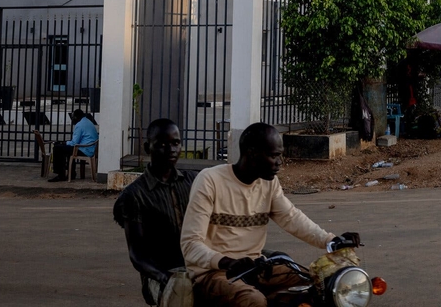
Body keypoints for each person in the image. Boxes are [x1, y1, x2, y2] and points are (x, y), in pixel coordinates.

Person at [181, 122, 356, 306]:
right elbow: (190, 244)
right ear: (252, 153)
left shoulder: (268, 184)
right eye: (274, 156)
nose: (280, 162)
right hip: (214, 273)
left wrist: (331, 241)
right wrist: (227, 262)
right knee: (253, 301)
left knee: (317, 288)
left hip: (256, 267)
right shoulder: (210, 180)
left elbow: (292, 218)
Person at [114, 119, 197, 306]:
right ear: (147, 147)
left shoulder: (193, 181)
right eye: (161, 144)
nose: (171, 149)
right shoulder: (134, 195)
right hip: (160, 276)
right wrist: (166, 277)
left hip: (199, 267)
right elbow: (137, 254)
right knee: (183, 291)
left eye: (176, 143)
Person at [48, 108, 98, 182]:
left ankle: (60, 175)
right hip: (90, 148)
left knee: (57, 148)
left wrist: (64, 143)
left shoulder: (80, 125)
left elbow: (74, 143)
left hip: (85, 150)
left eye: (73, 118)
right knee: (67, 150)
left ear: (76, 117)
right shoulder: (87, 122)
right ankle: (72, 173)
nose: (72, 120)